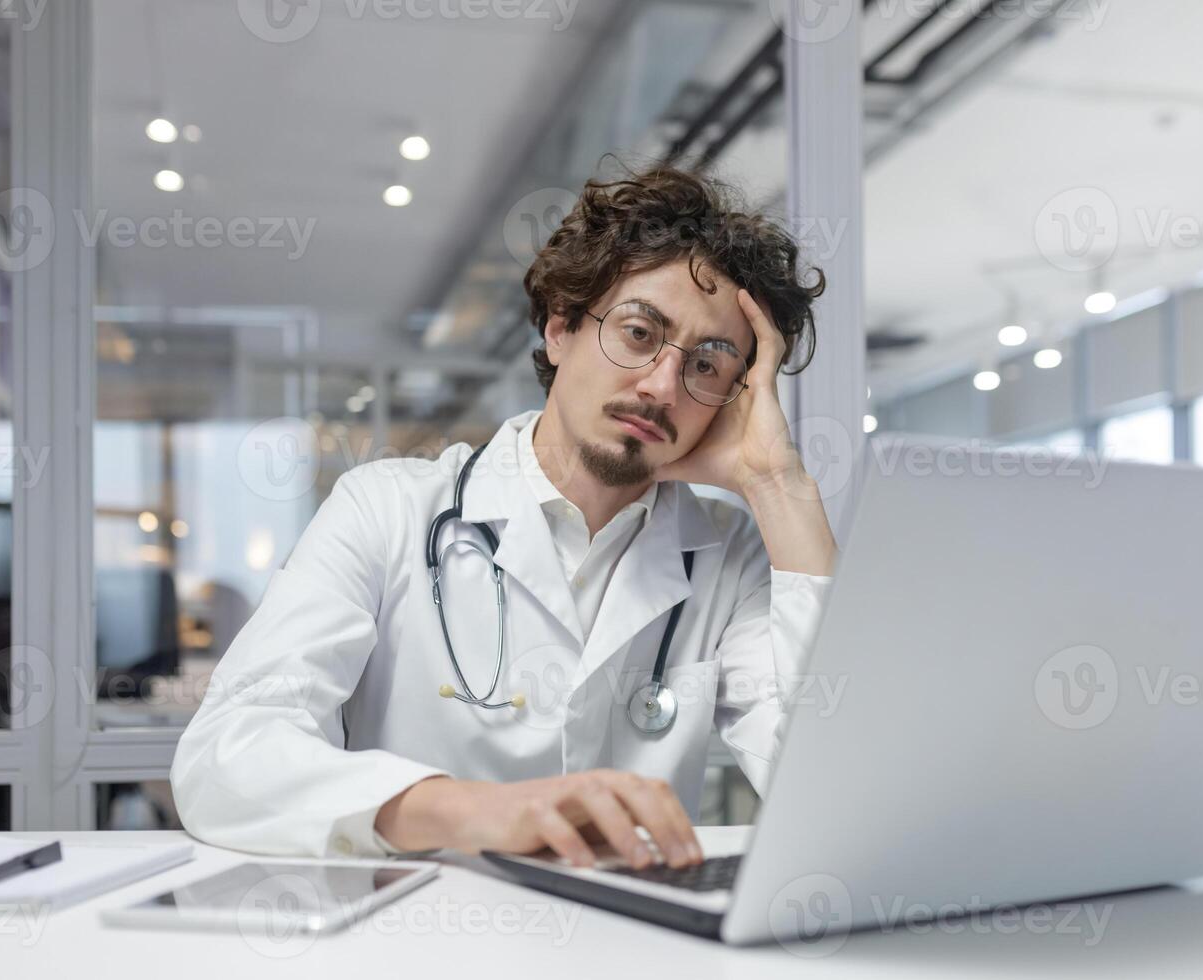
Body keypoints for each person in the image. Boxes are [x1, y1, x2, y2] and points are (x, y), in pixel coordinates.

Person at [170, 163, 838, 871]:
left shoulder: (727, 553)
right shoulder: (389, 509)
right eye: (640, 333)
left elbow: (835, 797)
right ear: (560, 329)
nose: (662, 385)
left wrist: (777, 484)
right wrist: (477, 812)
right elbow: (226, 756)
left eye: (708, 364)